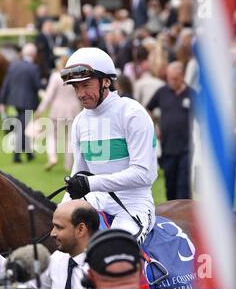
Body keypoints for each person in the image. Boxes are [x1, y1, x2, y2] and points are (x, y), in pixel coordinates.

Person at [61, 47, 158, 245]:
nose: (80, 93)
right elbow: (79, 175)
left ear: (106, 81)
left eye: (86, 85)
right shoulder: (80, 121)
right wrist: (59, 212)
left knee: (111, 253)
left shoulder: (132, 113)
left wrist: (91, 184)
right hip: (94, 203)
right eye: (76, 88)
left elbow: (144, 174)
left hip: (133, 206)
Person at [0, 200, 99, 289]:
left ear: (81, 229)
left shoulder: (106, 269)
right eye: (53, 226)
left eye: (59, 227)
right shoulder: (58, 259)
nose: (52, 233)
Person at [147, 61, 196, 201]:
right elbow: (147, 109)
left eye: (174, 79)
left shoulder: (192, 94)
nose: (172, 82)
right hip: (168, 148)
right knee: (170, 186)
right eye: (169, 79)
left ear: (182, 77)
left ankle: (185, 217)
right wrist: (154, 127)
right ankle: (173, 217)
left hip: (187, 148)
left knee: (183, 187)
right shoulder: (162, 92)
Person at [35, 56, 82, 172]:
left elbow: (49, 95)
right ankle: (68, 165)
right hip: (73, 110)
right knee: (70, 139)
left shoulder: (56, 76)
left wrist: (40, 110)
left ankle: (52, 158)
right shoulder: (77, 76)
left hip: (57, 110)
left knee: (52, 136)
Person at [0, 43, 42, 163]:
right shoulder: (33, 68)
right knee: (24, 129)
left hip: (13, 102)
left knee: (21, 127)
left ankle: (28, 154)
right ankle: (17, 156)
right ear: (33, 54)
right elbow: (38, 85)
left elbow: (5, 84)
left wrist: (1, 101)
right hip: (28, 102)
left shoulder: (13, 66)